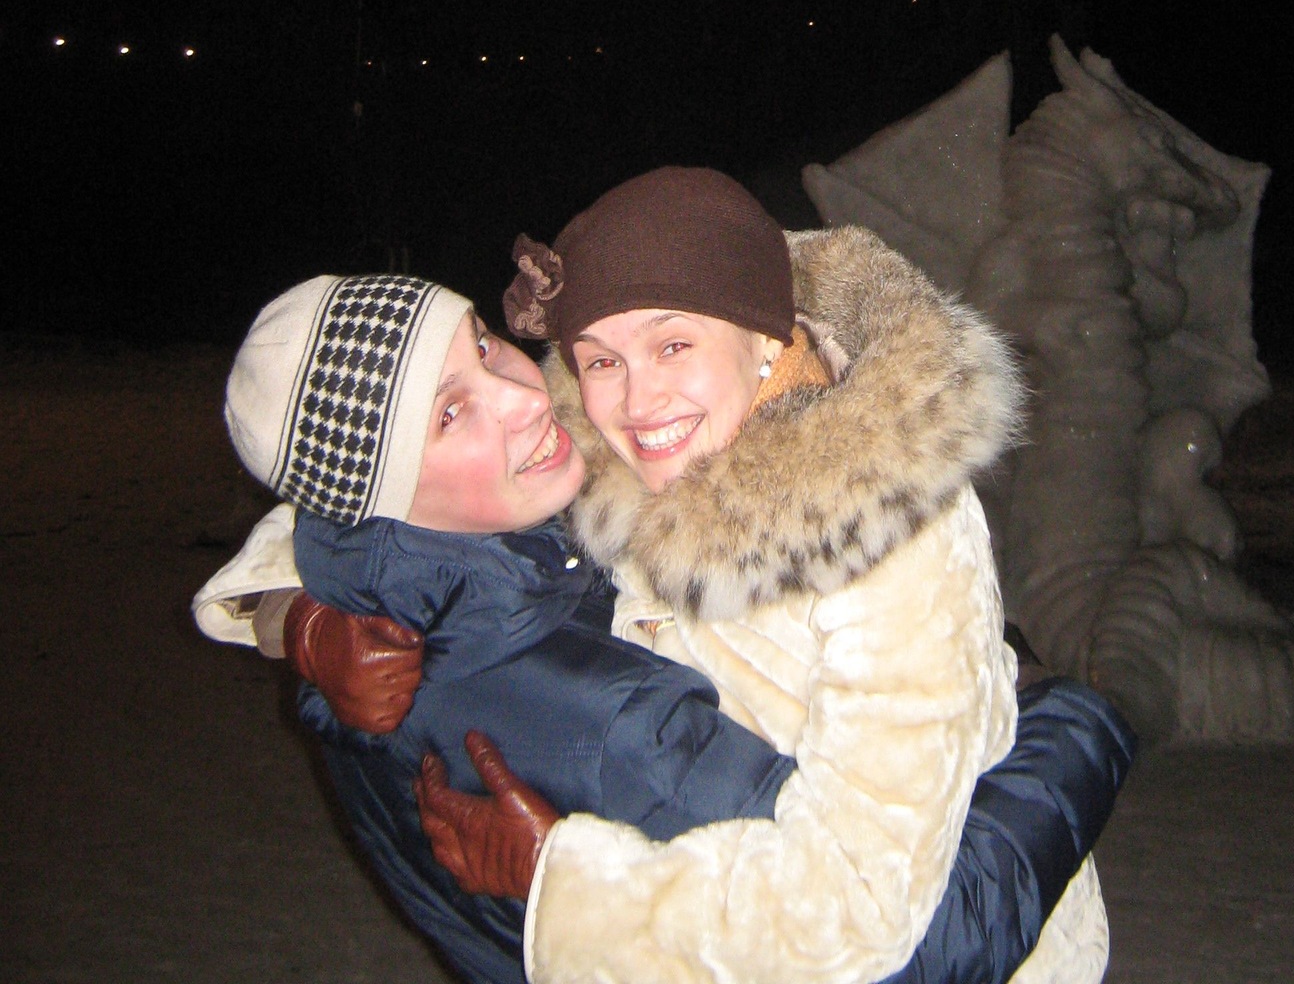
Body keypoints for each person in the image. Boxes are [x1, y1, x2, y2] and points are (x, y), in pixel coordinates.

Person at [203, 266, 1133, 984]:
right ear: (375, 498)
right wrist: (1079, 725)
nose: (526, 395)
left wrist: (288, 612)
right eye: (451, 413)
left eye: (484, 343)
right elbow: (912, 952)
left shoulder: (398, 586)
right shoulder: (602, 717)